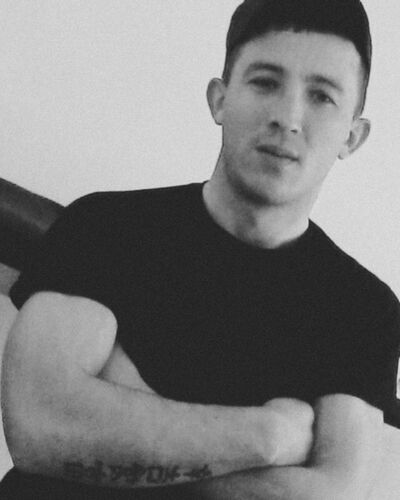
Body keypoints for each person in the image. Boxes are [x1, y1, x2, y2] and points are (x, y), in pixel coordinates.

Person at [1, 0, 399, 498]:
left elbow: (330, 495)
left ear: (353, 137)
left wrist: (117, 402)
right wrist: (269, 436)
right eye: (265, 82)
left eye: (321, 96)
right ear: (219, 100)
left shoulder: (363, 311)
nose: (288, 117)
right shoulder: (107, 227)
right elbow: (41, 427)